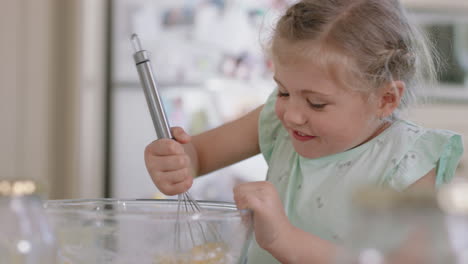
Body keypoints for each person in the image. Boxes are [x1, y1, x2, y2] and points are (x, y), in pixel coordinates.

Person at [144, 0, 464, 263]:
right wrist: (176, 160)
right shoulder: (276, 120)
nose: (292, 115)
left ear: (385, 99)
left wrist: (285, 240)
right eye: (283, 92)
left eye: (316, 103)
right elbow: (198, 155)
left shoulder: (410, 162)